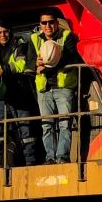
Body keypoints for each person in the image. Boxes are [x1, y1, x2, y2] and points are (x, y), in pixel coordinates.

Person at [0, 20, 39, 167]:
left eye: (5, 31)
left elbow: (21, 64)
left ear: (10, 31)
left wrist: (3, 70)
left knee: (25, 128)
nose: (3, 35)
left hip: (19, 91)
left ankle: (30, 161)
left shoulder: (20, 43)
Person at [29, 10, 82, 163]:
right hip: (44, 89)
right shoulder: (34, 39)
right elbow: (29, 62)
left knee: (65, 123)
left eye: (51, 22)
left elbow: (68, 58)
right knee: (47, 125)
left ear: (57, 23)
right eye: (44, 23)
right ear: (40, 25)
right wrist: (35, 64)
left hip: (64, 88)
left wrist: (44, 67)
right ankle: (50, 158)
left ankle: (62, 157)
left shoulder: (67, 37)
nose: (48, 26)